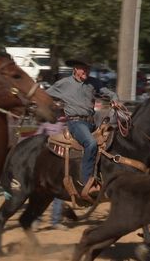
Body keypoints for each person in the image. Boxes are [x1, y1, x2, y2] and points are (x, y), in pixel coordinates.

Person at [46, 57, 119, 200]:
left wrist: (115, 99)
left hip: (92, 122)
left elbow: (110, 93)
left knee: (111, 139)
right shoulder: (63, 84)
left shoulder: (93, 82)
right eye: (83, 68)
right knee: (91, 143)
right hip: (76, 123)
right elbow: (44, 95)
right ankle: (86, 182)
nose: (86, 71)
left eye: (88, 69)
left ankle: (104, 176)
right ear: (75, 69)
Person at [35, 118, 69, 230]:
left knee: (59, 191)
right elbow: (38, 137)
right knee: (43, 192)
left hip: (60, 160)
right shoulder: (45, 123)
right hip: (47, 159)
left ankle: (56, 221)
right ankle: (36, 220)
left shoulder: (64, 123)